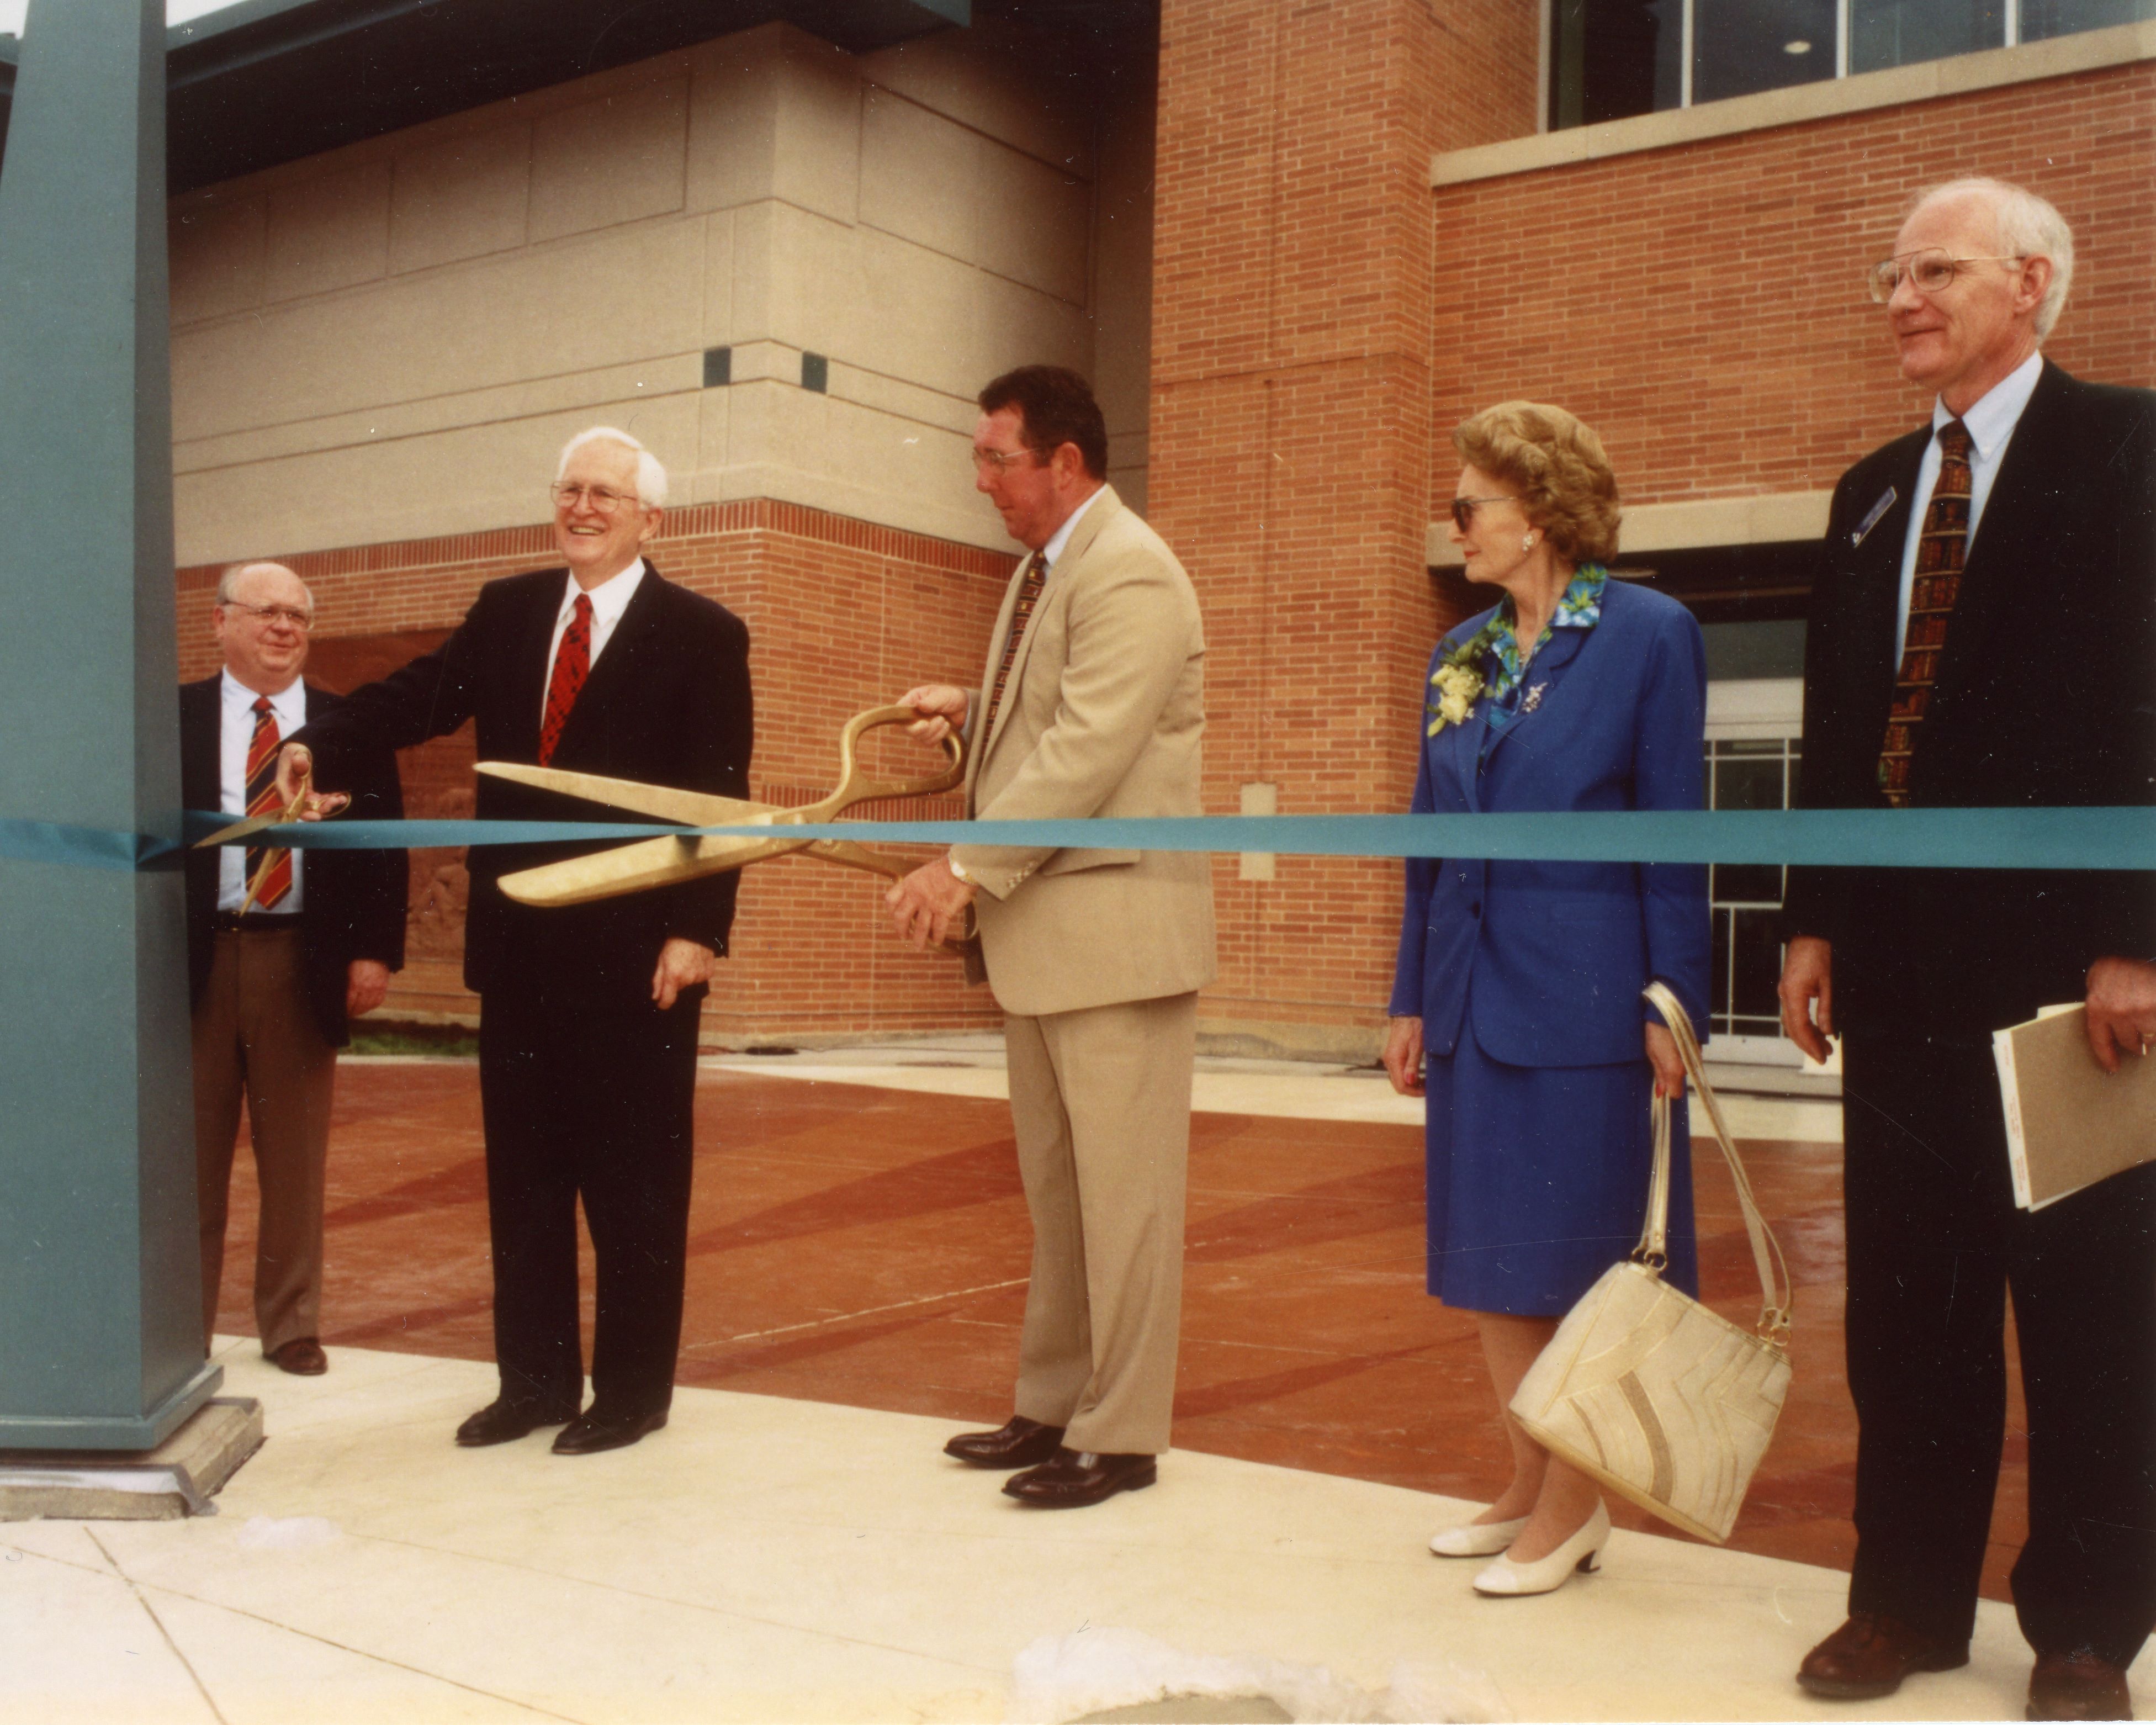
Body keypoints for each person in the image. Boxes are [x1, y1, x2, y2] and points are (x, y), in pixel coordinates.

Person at [1778, 178, 2156, 1722]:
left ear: (2033, 283)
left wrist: (2142, 934)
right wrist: (1810, 914)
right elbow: (1833, 728)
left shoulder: (2131, 449)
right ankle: (1904, 1602)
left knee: (2091, 1311)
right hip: (1900, 975)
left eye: (1932, 269)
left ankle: (2084, 1626)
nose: (1899, 296)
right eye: (1890, 271)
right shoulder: (1870, 489)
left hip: (2076, 982)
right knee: (1909, 1308)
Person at [277, 427, 753, 1455]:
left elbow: (719, 797)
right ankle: (533, 1383)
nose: (582, 507)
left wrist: (695, 931)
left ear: (648, 519)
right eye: (570, 490)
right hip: (520, 954)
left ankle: (630, 1395)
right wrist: (314, 742)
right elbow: (416, 700)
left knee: (634, 1187)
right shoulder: (509, 610)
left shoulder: (705, 635)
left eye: (606, 495)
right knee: (526, 1181)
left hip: (638, 963)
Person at [1382, 401, 1710, 1597]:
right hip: (1470, 1001)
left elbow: (1677, 832)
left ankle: (1577, 1507)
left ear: (1541, 512)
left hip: (1587, 1006)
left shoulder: (1649, 634)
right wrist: (1411, 993)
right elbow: (1431, 838)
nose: (1456, 522)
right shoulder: (1457, 654)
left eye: (1472, 503)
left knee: (1577, 1262)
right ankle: (1529, 1477)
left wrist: (1674, 999)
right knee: (1485, 1260)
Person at [887, 364, 1215, 1509]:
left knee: (1124, 1205)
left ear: (1065, 460)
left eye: (995, 458)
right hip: (1054, 938)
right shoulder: (1047, 570)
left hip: (1115, 939)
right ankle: (1052, 1401)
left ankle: (1120, 1434)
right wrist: (975, 712)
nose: (979, 479)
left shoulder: (1129, 566)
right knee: (1064, 1195)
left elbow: (1089, 744)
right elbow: (1057, 713)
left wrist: (966, 865)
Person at [183, 561, 406, 1377]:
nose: (283, 628)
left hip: (299, 957)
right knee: (189, 1160)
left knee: (295, 1157)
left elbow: (385, 851)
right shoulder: (171, 719)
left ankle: (290, 1326)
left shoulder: (348, 725)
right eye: (265, 612)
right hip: (194, 959)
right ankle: (181, 1329)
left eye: (298, 617)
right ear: (219, 622)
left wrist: (375, 951)